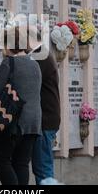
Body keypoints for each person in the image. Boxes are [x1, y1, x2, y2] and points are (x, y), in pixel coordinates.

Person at [0, 27, 42, 185]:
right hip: (33, 123)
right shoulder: (35, 65)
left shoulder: (9, 62)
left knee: (0, 160)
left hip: (13, 122)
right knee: (21, 163)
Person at [28, 27, 61, 185]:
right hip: (47, 119)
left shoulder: (40, 57)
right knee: (42, 166)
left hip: (45, 120)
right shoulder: (42, 54)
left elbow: (28, 83)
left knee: (43, 168)